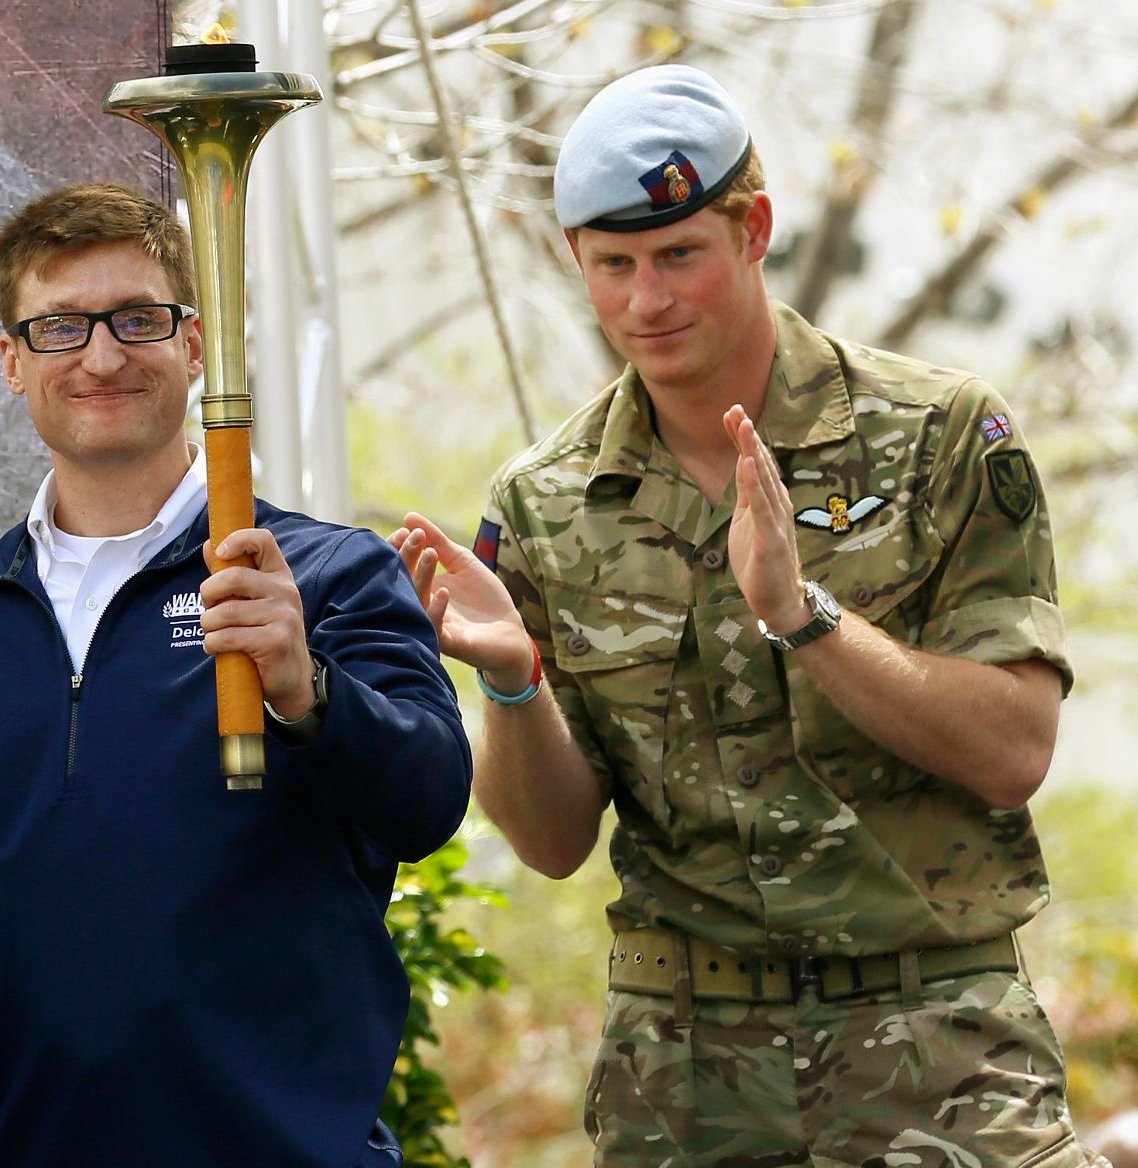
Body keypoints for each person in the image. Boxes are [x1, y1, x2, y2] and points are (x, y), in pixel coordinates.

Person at [392, 66, 1108, 1167]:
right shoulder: (542, 503)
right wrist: (508, 682)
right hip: (681, 1075)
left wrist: (802, 616)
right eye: (613, 266)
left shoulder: (939, 436)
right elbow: (548, 842)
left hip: (936, 1048)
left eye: (678, 253)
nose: (647, 300)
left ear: (753, 229)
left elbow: (1012, 749)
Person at [0, 181, 473, 1166]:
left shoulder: (320, 575)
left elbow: (427, 800)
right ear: (10, 362)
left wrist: (305, 690)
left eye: (137, 319)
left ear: (194, 346)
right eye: (60, 326)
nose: (102, 355)